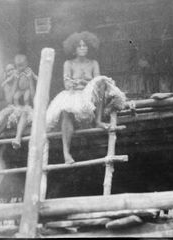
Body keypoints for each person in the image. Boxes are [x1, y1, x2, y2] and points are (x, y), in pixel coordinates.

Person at [46, 31, 126, 164]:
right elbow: (66, 84)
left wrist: (83, 83)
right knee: (66, 111)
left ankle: (98, 121)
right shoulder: (68, 63)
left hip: (90, 96)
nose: (83, 48)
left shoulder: (93, 63)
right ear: (74, 49)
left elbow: (97, 81)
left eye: (85, 46)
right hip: (74, 95)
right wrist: (72, 83)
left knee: (101, 83)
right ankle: (66, 153)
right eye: (79, 46)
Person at [0, 55, 36, 149]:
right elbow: (10, 100)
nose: (10, 72)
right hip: (14, 115)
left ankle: (17, 138)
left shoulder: (24, 79)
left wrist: (29, 80)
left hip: (26, 114)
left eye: (12, 69)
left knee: (24, 113)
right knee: (6, 114)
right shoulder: (8, 84)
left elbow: (33, 98)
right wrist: (15, 81)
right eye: (8, 71)